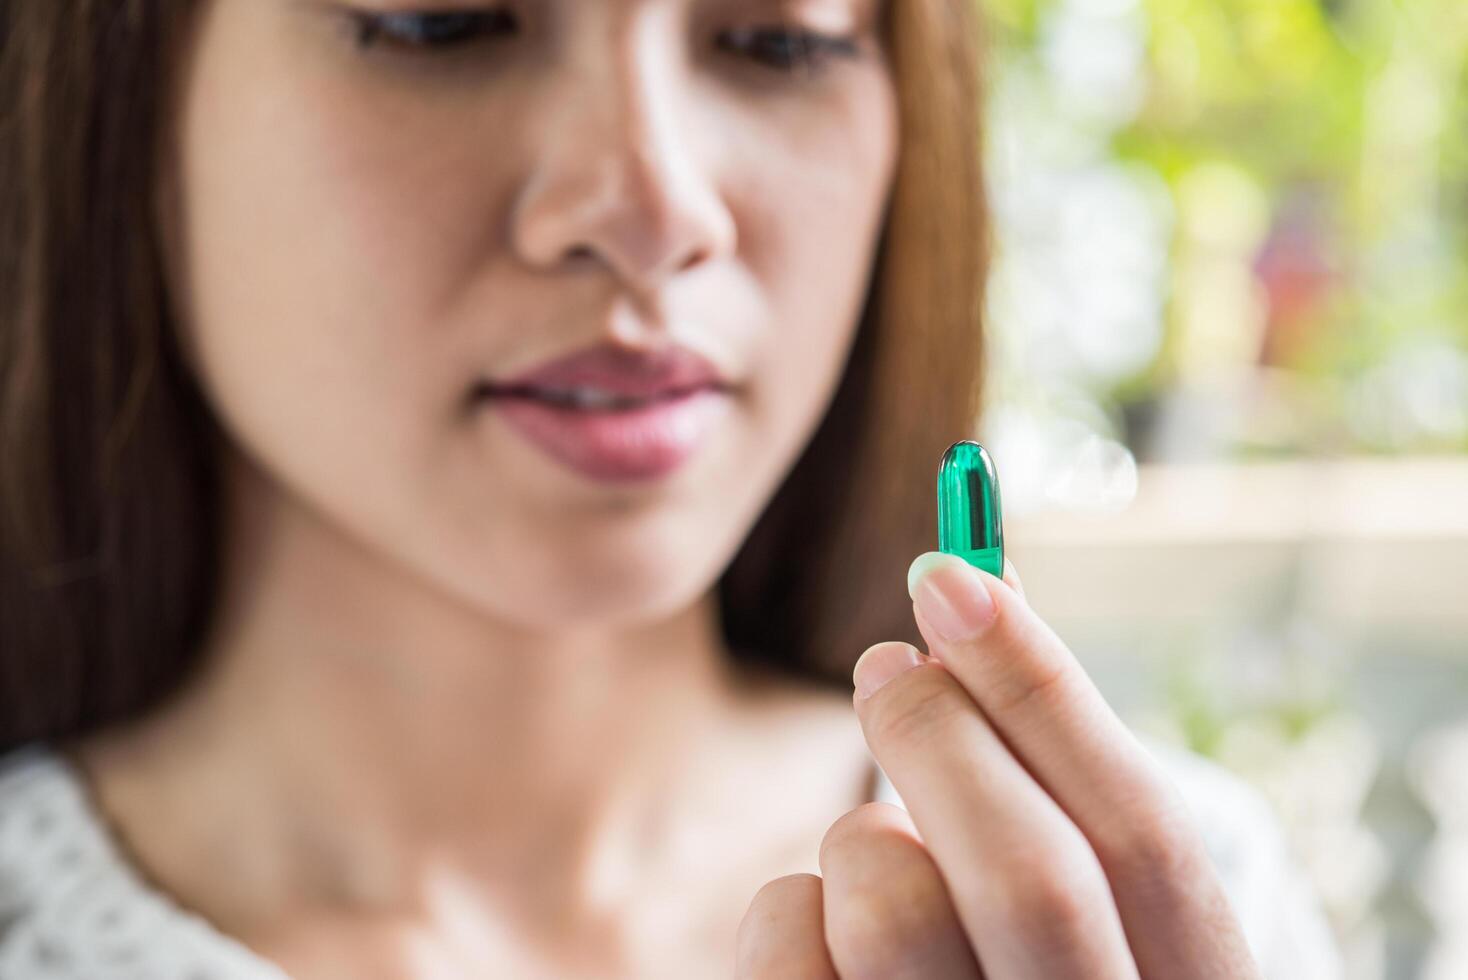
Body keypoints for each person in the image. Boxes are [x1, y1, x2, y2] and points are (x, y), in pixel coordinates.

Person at [0, 1, 1339, 977]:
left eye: (778, 40)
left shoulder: (1169, 902)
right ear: (120, 87)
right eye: (439, 23)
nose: (652, 205)